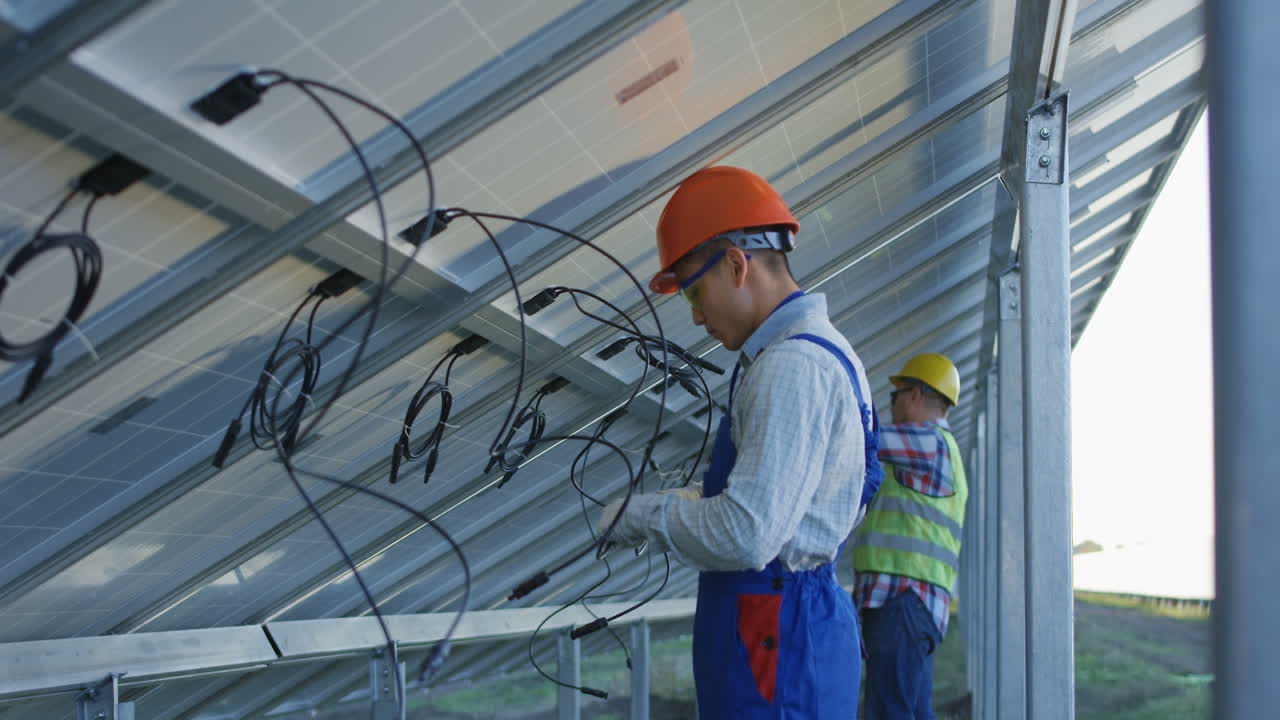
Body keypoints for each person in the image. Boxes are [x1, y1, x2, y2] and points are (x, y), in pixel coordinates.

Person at [598, 165, 880, 718]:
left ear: (735, 264)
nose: (696, 315)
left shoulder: (792, 366)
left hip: (777, 643)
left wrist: (643, 517)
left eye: (694, 291)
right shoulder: (815, 352)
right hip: (787, 632)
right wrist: (698, 500)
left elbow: (748, 533)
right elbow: (790, 506)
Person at [853, 353, 968, 719]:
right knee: (911, 710)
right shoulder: (939, 452)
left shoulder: (930, 445)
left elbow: (863, 440)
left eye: (895, 396)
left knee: (889, 712)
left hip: (902, 600)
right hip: (916, 605)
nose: (892, 406)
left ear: (915, 395)